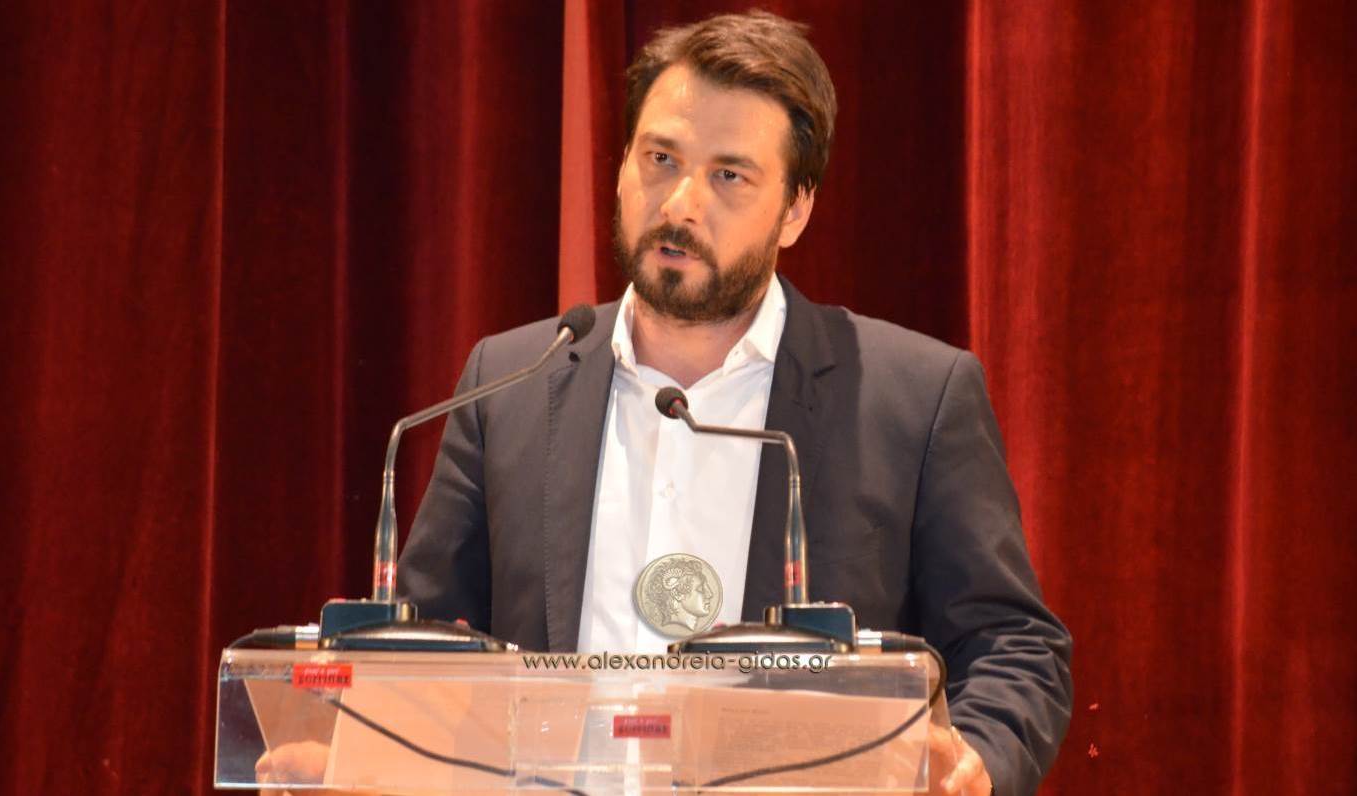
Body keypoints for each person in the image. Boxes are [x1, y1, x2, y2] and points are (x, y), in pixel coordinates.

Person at [400, 10, 1072, 796]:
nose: (680, 204)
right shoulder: (512, 383)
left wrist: (975, 760)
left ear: (795, 209)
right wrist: (353, 743)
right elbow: (417, 646)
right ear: (620, 166)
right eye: (659, 159)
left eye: (729, 175)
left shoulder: (911, 397)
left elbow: (1011, 644)